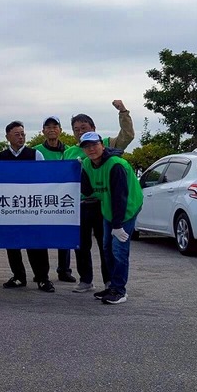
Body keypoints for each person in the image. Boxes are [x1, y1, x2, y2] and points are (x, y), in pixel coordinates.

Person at [64, 100, 135, 292]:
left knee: (106, 246)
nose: (80, 132)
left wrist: (123, 112)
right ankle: (85, 280)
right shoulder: (68, 152)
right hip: (79, 205)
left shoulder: (106, 144)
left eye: (84, 128)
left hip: (102, 204)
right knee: (81, 244)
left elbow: (127, 135)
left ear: (93, 128)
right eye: (76, 129)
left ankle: (109, 281)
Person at [79, 132, 143, 304]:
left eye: (94, 145)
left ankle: (119, 290)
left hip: (126, 209)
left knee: (119, 250)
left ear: (102, 145)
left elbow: (120, 197)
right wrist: (80, 172)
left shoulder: (116, 165)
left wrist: (117, 225)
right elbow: (87, 191)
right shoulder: (87, 163)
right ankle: (112, 286)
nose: (91, 149)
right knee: (106, 248)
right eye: (86, 146)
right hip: (108, 210)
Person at [0, 121, 54, 293]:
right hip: (10, 207)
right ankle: (18, 276)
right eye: (17, 134)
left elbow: (43, 180)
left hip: (31, 207)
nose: (21, 137)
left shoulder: (36, 155)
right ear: (7, 136)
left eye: (23, 134)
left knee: (36, 244)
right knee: (12, 244)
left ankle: (42, 278)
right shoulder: (0, 157)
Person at [33, 116, 77, 284]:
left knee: (64, 235)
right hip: (41, 199)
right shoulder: (35, 151)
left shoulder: (69, 151)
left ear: (60, 130)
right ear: (43, 131)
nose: (51, 129)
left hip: (63, 198)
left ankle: (64, 270)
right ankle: (41, 273)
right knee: (41, 236)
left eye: (55, 126)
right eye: (48, 127)